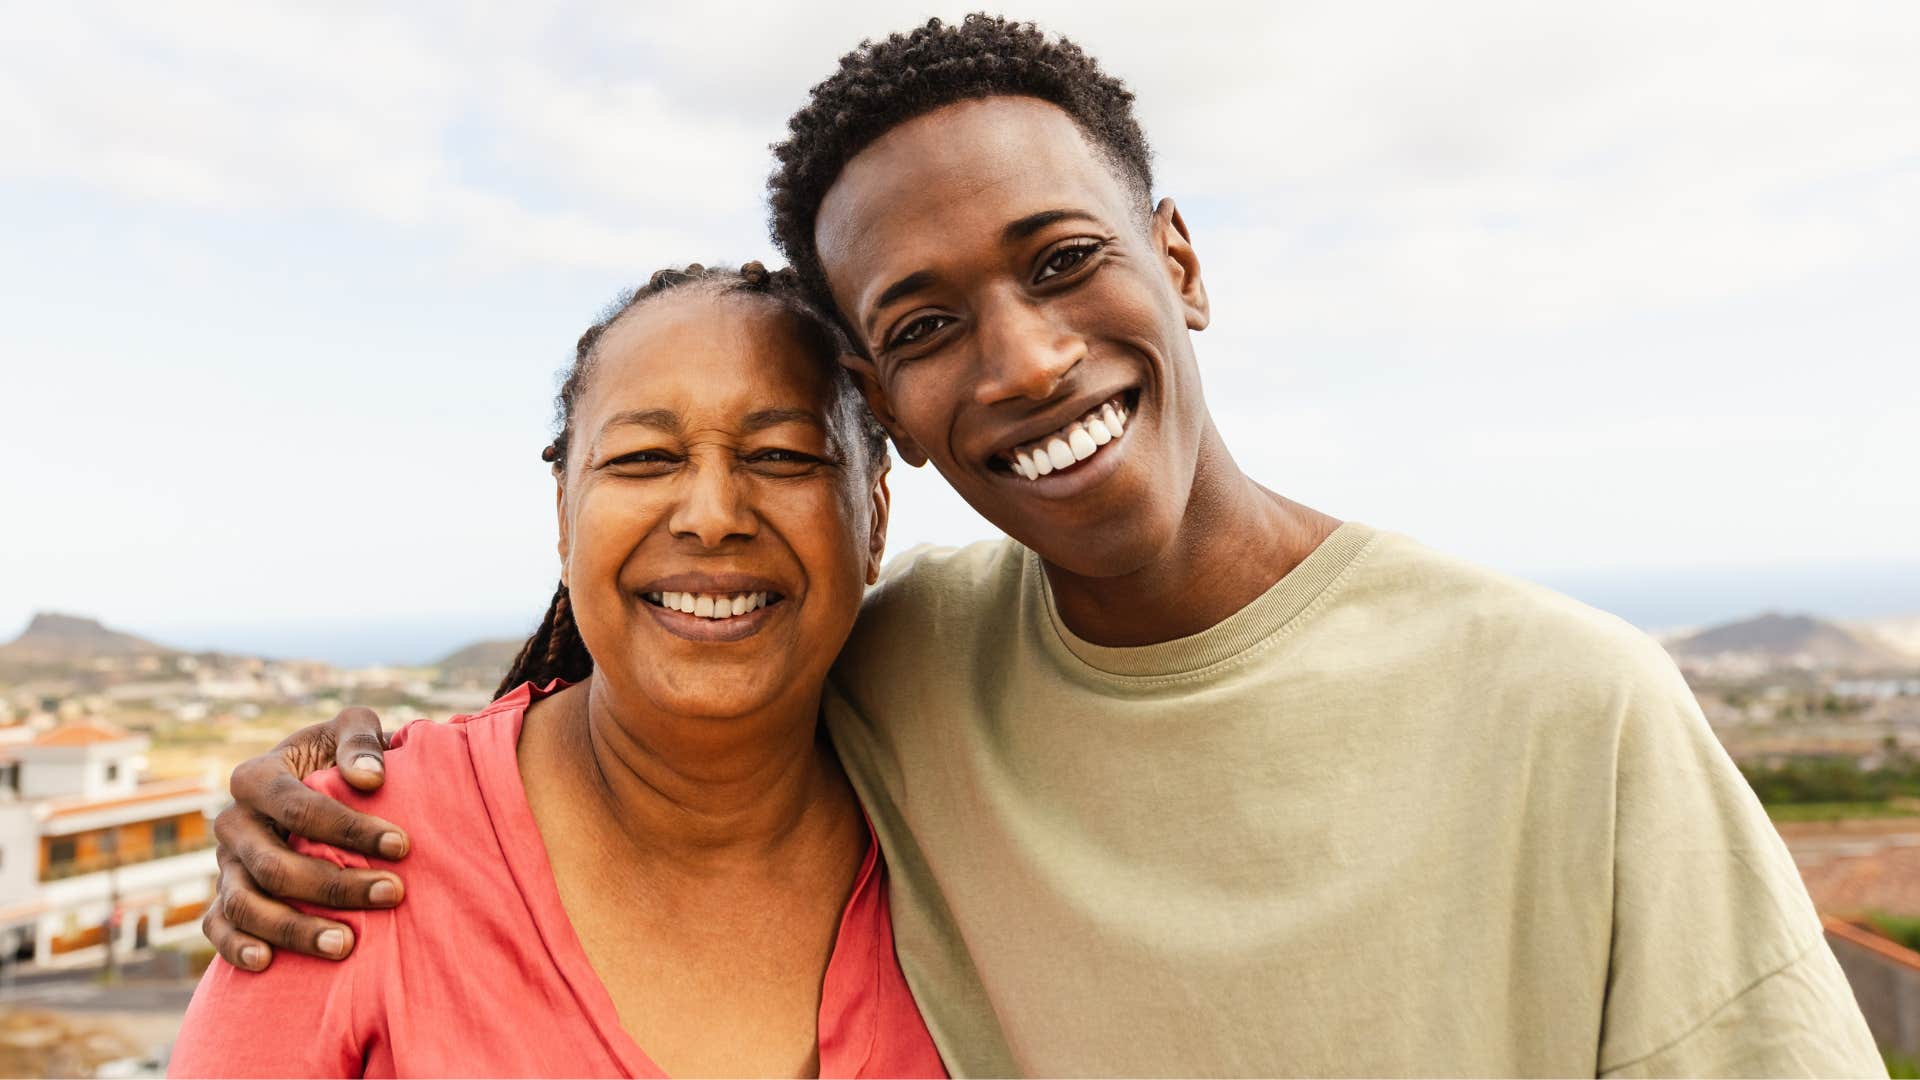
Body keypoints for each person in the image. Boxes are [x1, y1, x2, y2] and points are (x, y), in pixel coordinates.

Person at [203, 16, 1882, 1077]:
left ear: (1183, 262)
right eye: (928, 324)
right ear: (895, 417)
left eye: (1065, 258)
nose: (1020, 359)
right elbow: (693, 615)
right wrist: (344, 782)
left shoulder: (1571, 710)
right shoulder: (907, 674)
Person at [170, 264, 945, 1078]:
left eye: (784, 455)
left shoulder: (955, 830)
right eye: (645, 457)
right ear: (563, 518)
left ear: (876, 519)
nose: (713, 516)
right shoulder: (355, 855)